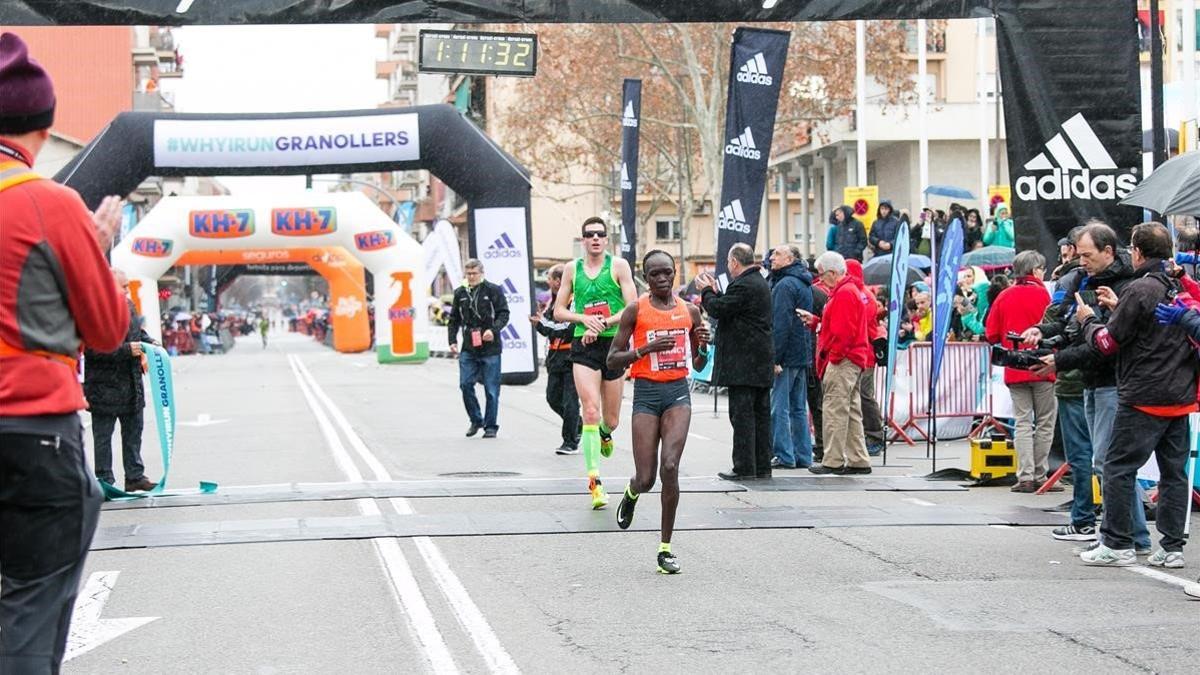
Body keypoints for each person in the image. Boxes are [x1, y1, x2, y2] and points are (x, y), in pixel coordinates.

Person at [0, 31, 131, 674]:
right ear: (43, 127)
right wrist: (97, 249)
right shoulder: (49, 204)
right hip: (32, 432)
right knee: (31, 600)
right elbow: (107, 330)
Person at [1079, 222, 1198, 568]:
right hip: (1180, 395)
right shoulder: (1180, 288)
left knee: (1117, 467)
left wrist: (1089, 321)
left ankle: (1117, 542)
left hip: (1143, 395)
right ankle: (1172, 548)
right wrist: (1120, 307)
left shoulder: (1140, 288)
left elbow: (1107, 342)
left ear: (1137, 251)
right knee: (1174, 474)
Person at [1027, 222, 1140, 543]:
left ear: (1108, 250)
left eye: (1086, 254)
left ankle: (1117, 535)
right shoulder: (1077, 278)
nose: (1081, 260)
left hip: (1110, 381)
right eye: (1076, 254)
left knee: (1108, 462)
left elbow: (1105, 340)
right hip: (1087, 380)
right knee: (1100, 461)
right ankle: (1124, 534)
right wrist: (1043, 333)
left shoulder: (1128, 282)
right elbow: (1065, 323)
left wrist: (1060, 355)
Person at [607, 250, 710, 574]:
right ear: (646, 277)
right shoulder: (635, 310)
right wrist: (644, 350)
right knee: (648, 477)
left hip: (678, 392)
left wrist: (704, 346)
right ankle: (632, 490)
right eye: (655, 274)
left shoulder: (690, 311)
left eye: (667, 273)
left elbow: (698, 363)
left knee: (670, 466)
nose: (663, 279)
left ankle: (665, 548)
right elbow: (613, 359)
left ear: (675, 273)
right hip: (647, 395)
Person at [553, 217, 638, 509]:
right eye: (589, 235)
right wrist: (584, 319)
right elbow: (558, 311)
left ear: (606, 239)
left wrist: (601, 323)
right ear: (583, 240)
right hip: (583, 344)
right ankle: (595, 484)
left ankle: (604, 433)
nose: (595, 239)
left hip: (613, 344)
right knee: (589, 410)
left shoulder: (619, 266)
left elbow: (632, 306)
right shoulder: (571, 269)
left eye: (600, 234)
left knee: (610, 420)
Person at [696, 243, 774, 480]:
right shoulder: (758, 282)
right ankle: (761, 465)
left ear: (734, 262)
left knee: (742, 416)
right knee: (760, 416)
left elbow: (718, 309)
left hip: (744, 363)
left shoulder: (744, 284)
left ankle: (744, 467)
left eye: (729, 263)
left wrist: (708, 291)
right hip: (759, 362)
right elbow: (732, 308)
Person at [985, 250, 1056, 492]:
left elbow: (991, 334)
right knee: (1045, 422)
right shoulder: (1045, 295)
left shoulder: (1004, 296)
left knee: (1023, 422)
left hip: (1015, 368)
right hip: (1044, 365)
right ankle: (1040, 474)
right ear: (1035, 270)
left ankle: (1025, 476)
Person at [800, 252, 874, 475]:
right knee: (850, 411)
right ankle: (858, 459)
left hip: (843, 360)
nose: (821, 280)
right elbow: (842, 327)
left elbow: (842, 333)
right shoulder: (850, 291)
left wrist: (833, 357)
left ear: (832, 273)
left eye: (822, 275)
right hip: (852, 358)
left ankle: (832, 460)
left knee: (835, 409)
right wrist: (816, 322)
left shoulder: (843, 294)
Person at [85, 270, 158, 494]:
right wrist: (127, 350)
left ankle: (135, 476)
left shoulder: (128, 306)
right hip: (104, 386)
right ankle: (105, 480)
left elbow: (136, 334)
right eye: (123, 286)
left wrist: (150, 342)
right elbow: (92, 349)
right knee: (103, 437)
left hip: (131, 383)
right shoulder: (93, 311)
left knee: (134, 432)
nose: (127, 291)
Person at [447, 258, 509, 439]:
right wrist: (452, 340)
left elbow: (504, 313)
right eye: (469, 274)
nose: (472, 277)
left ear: (482, 273)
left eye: (474, 273)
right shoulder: (460, 293)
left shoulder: (493, 290)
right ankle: (476, 419)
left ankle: (491, 426)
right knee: (465, 384)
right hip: (469, 346)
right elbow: (453, 319)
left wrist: (493, 329)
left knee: (491, 389)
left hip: (490, 347)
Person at [767, 244, 814, 469]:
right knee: (798, 408)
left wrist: (775, 357)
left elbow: (781, 324)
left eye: (777, 254)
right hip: (801, 352)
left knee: (780, 408)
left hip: (786, 355)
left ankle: (785, 455)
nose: (772, 257)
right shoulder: (802, 282)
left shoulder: (784, 285)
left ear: (790, 259)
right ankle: (803, 455)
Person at [531, 264, 580, 455]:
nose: (547, 282)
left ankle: (570, 441)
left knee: (570, 401)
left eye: (550, 279)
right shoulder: (554, 302)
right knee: (552, 398)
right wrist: (539, 323)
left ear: (559, 281)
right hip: (555, 358)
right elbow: (549, 330)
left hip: (572, 358)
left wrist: (542, 323)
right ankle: (578, 423)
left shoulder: (574, 301)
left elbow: (568, 330)